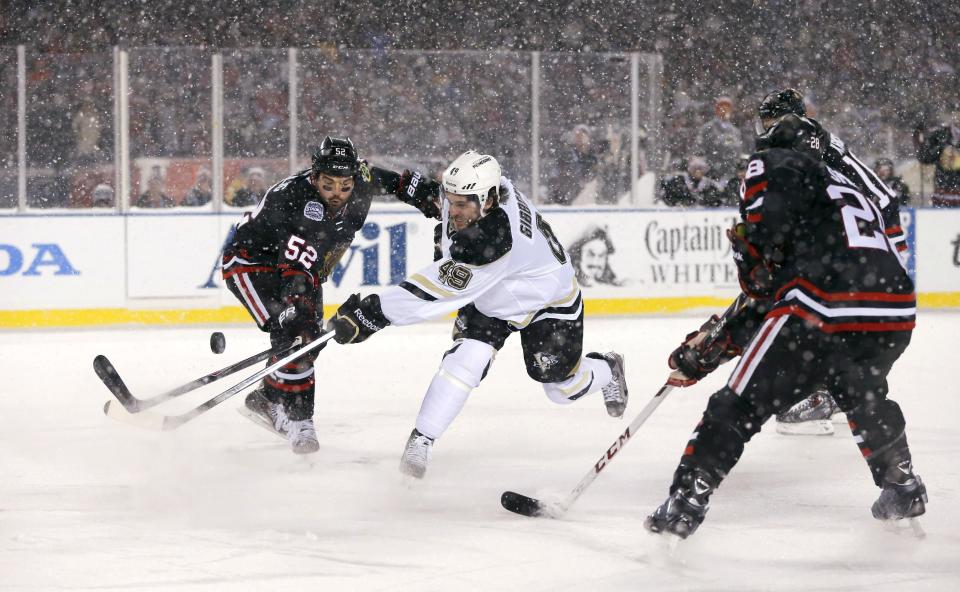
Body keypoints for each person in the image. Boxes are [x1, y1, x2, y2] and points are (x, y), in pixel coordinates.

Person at [644, 118, 925, 539]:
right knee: (861, 390)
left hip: (825, 303)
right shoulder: (849, 190)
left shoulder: (777, 163)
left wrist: (716, 344)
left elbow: (765, 273)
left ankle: (686, 501)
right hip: (894, 310)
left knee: (737, 404)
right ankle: (902, 486)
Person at [324, 150, 629, 478]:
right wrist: (382, 179)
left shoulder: (495, 238)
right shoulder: (483, 193)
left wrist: (371, 314)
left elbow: (436, 291)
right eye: (450, 200)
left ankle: (608, 368)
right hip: (491, 300)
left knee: (558, 387)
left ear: (488, 200)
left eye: (461, 205)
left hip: (546, 302)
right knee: (465, 361)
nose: (452, 211)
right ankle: (422, 439)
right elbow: (432, 195)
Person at [222, 136, 438, 454]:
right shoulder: (292, 198)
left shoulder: (361, 178)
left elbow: (395, 182)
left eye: (344, 185)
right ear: (314, 176)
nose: (337, 193)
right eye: (328, 184)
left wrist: (429, 196)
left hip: (302, 268)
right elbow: (293, 268)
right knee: (294, 331)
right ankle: (298, 421)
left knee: (306, 344)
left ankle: (266, 398)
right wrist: (299, 310)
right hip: (252, 266)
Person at [753, 89, 909, 436]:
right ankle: (832, 394)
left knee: (830, 321)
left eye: (769, 121)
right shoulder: (808, 141)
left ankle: (831, 396)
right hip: (866, 243)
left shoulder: (806, 140)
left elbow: (880, 198)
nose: (765, 130)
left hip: (868, 246)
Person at [914, 106, 960, 207]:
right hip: (943, 191)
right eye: (957, 112)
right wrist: (941, 148)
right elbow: (925, 157)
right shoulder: (941, 134)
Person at [696, 96, 744, 182]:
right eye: (722, 108)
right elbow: (701, 147)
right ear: (717, 110)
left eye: (727, 109)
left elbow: (738, 149)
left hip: (730, 171)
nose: (725, 111)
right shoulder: (708, 128)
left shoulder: (735, 131)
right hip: (712, 170)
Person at [658, 156, 724, 207]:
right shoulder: (678, 181)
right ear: (689, 169)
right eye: (694, 168)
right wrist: (680, 203)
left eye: (701, 168)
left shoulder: (709, 184)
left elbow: (717, 201)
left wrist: (704, 202)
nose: (698, 171)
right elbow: (667, 197)